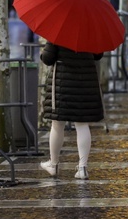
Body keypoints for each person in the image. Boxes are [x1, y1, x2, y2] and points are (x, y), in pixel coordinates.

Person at [39, 42, 104, 180]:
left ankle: (54, 164)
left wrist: (43, 53)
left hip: (63, 82)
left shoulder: (60, 29)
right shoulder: (91, 29)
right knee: (82, 124)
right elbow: (98, 54)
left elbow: (47, 58)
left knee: (57, 124)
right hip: (86, 81)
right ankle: (83, 168)